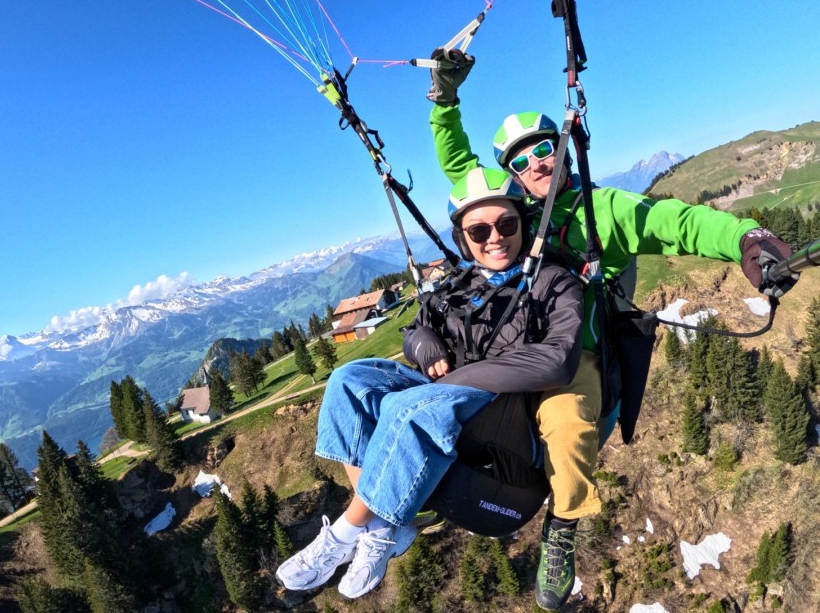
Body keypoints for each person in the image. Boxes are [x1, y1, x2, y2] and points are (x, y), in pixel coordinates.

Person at [425, 48, 799, 611]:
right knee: (432, 399)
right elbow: (457, 164)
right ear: (512, 175)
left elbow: (675, 223)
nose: (536, 165)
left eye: (545, 150)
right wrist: (444, 102)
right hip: (505, 348)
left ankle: (564, 524)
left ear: (563, 151)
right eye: (521, 162)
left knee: (571, 424)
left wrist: (745, 237)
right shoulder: (509, 215)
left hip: (576, 354)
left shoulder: (602, 210)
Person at [275, 167, 584, 600]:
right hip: (450, 399)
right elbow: (418, 329)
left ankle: (348, 532)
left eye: (506, 224)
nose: (494, 237)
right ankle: (384, 524)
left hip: (506, 418)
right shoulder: (461, 283)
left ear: (523, 225)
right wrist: (423, 346)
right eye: (479, 230)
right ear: (464, 239)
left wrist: (455, 380)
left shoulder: (552, 282)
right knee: (349, 380)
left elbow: (558, 360)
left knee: (408, 408)